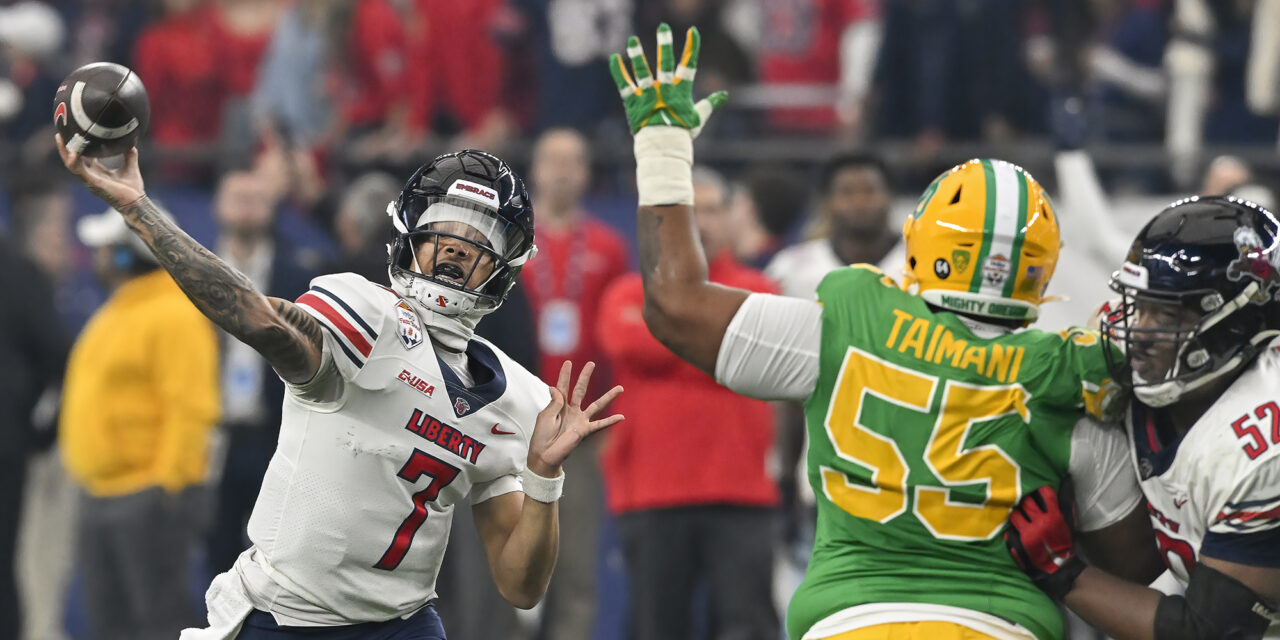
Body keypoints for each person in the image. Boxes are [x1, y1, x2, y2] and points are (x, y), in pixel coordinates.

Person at [609, 25, 1160, 640]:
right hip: (996, 624)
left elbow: (675, 304)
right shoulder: (1065, 373)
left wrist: (662, 155)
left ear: (923, 238)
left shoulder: (845, 321)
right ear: (1040, 269)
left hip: (849, 621)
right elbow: (1133, 567)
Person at [58, 136, 622, 639]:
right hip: (283, 611)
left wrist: (543, 479)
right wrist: (139, 210)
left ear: (505, 267)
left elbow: (520, 586)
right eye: (444, 230)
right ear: (409, 235)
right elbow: (257, 317)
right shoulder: (366, 313)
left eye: (478, 240)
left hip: (401, 623)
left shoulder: (518, 400)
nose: (455, 247)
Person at [1004, 196, 1280, 639]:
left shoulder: (1262, 447)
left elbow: (1209, 633)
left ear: (1239, 323)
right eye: (1140, 304)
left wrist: (1063, 572)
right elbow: (1138, 566)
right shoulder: (1140, 354)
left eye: (1168, 314)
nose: (1139, 332)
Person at [597, 167, 780, 639]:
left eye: (712, 210)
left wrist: (673, 337)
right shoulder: (625, 292)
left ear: (733, 217)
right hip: (651, 493)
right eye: (685, 211)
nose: (700, 222)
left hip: (742, 491)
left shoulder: (762, 291)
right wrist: (722, 344)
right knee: (656, 629)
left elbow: (761, 356)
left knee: (748, 628)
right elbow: (628, 344)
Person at [60, 205, 221, 640]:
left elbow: (190, 408)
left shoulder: (172, 314)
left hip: (148, 496)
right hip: (103, 493)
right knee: (110, 625)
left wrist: (168, 487)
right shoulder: (119, 311)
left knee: (158, 623)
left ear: (127, 254)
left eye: (106, 248)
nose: (96, 257)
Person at [520, 126, 629, 640]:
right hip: (513, 426)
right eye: (553, 161)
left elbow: (620, 341)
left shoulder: (608, 247)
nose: (562, 173)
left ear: (586, 174)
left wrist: (613, 426)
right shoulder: (511, 243)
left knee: (577, 564)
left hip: (580, 429)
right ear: (534, 171)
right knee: (509, 566)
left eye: (572, 162)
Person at [205, 169, 319, 574]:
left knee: (276, 555)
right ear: (217, 206)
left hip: (274, 433)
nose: (246, 209)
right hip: (212, 435)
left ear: (271, 208)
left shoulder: (298, 276)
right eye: (237, 197)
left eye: (256, 199)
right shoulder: (195, 273)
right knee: (215, 552)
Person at [0, 185, 70, 640]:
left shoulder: (18, 272)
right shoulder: (20, 270)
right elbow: (58, 358)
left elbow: (59, 360)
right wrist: (40, 432)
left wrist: (42, 431)